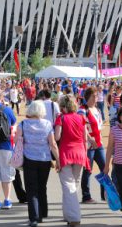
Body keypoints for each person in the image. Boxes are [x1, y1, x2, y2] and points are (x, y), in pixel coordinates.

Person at [17, 100, 60, 227]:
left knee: (32, 189)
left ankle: (34, 217)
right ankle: (43, 212)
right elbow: (52, 144)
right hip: (44, 159)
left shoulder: (23, 124)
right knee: (42, 186)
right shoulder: (47, 124)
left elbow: (17, 140)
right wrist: (58, 160)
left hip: (29, 159)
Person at [55, 94, 89, 227]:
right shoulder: (81, 117)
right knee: (73, 185)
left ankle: (74, 217)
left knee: (68, 186)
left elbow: (57, 137)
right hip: (80, 152)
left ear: (62, 107)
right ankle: (68, 214)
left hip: (66, 153)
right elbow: (85, 138)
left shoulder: (61, 117)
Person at [78, 87, 105, 204]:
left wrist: (100, 139)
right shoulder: (82, 110)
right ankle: (86, 196)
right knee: (88, 170)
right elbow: (81, 126)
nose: (96, 98)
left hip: (99, 143)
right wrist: (89, 138)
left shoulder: (97, 110)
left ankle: (105, 194)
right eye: (93, 96)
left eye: (96, 96)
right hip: (88, 145)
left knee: (104, 168)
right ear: (87, 97)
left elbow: (99, 126)